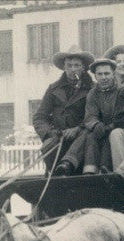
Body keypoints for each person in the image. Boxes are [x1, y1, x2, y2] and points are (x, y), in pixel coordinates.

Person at [33, 46, 96, 176]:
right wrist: (49, 133)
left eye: (77, 65)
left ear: (83, 68)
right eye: (69, 65)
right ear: (64, 67)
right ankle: (53, 175)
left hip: (81, 137)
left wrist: (77, 129)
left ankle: (68, 167)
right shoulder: (53, 88)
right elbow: (39, 117)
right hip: (58, 137)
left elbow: (95, 115)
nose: (73, 69)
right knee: (48, 146)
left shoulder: (92, 89)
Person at [82, 58, 124, 174]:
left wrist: (110, 126)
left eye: (107, 73)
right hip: (101, 128)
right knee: (91, 135)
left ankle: (105, 169)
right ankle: (90, 170)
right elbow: (90, 115)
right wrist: (95, 124)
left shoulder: (123, 91)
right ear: (95, 76)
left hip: (119, 128)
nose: (104, 77)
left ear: (113, 74)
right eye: (99, 74)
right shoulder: (93, 93)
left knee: (110, 136)